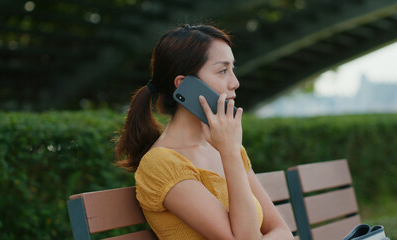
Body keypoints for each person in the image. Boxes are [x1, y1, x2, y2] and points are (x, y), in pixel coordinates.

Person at [115, 24, 294, 240]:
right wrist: (229, 153)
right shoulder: (161, 165)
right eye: (223, 70)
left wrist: (231, 151)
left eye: (232, 69)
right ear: (184, 85)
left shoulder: (227, 147)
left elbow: (282, 231)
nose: (235, 82)